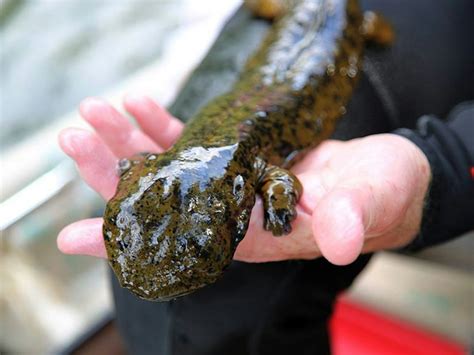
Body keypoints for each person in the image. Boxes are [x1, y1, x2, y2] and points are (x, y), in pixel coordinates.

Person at [57, 1, 473, 354]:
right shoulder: (182, 168)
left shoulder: (249, 166)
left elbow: (282, 183)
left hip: (337, 34)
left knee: (232, 300)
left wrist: (279, 204)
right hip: (282, 57)